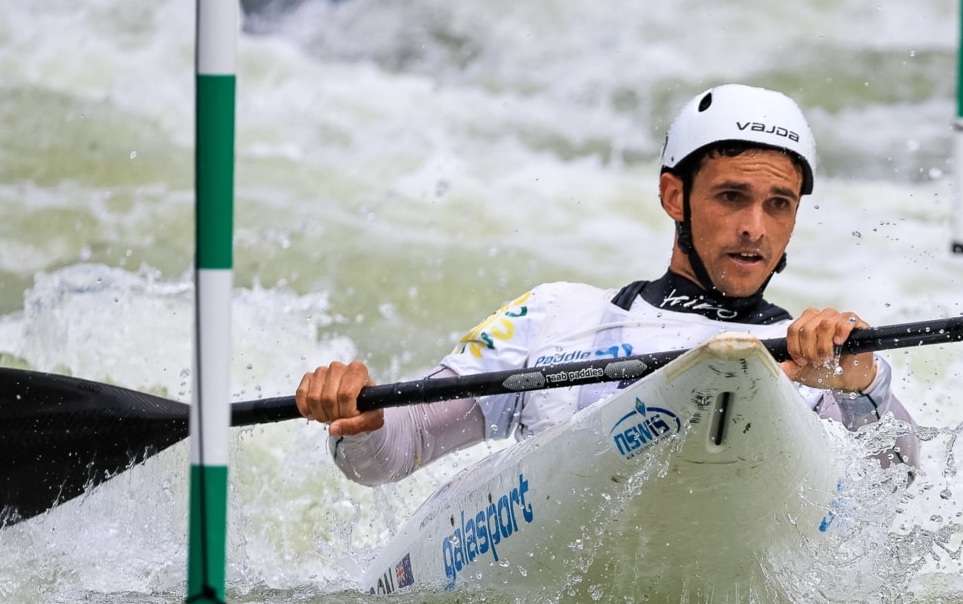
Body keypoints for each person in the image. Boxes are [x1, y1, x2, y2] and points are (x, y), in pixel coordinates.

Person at [297, 84, 918, 484]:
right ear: (674, 195)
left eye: (779, 204)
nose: (755, 228)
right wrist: (362, 422)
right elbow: (394, 455)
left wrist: (864, 384)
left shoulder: (813, 354)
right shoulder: (554, 314)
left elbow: (898, 484)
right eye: (732, 196)